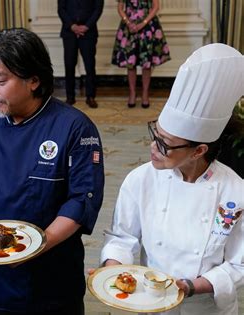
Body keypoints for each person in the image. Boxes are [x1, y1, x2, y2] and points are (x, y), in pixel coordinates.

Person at [0, 28, 105, 314]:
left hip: (52, 277)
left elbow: (82, 200)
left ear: (34, 80)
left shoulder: (74, 127)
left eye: (1, 80)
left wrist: (34, 247)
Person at [100, 43, 244, 315]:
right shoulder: (140, 179)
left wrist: (190, 287)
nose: (153, 148)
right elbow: (122, 237)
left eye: (165, 145)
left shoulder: (235, 191)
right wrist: (112, 270)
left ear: (199, 150)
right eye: (155, 135)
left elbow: (239, 265)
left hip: (205, 307)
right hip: (150, 301)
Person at [112, 0, 171, 108]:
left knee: (146, 63)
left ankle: (145, 94)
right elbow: (120, 8)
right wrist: (128, 23)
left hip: (148, 27)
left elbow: (156, 6)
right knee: (130, 63)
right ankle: (132, 93)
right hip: (129, 26)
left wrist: (143, 23)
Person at [58, 0, 104, 108]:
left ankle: (91, 96)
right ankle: (70, 96)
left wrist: (86, 26)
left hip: (89, 32)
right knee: (69, 64)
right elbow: (61, 9)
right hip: (69, 32)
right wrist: (72, 26)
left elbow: (98, 9)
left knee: (90, 65)